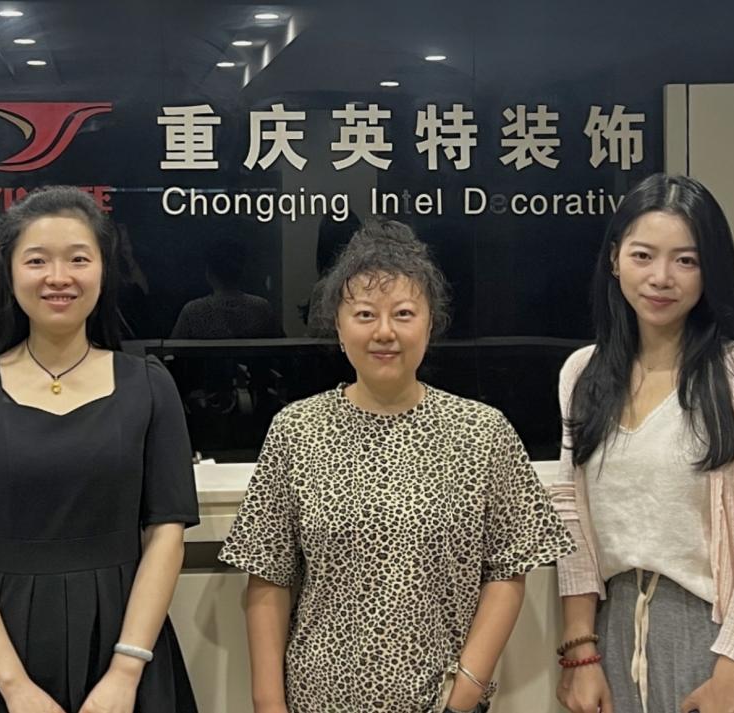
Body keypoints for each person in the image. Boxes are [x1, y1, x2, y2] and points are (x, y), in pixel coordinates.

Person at [217, 219, 575, 713]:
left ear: (430, 323)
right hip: (317, 698)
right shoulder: (295, 430)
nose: (384, 332)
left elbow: (508, 568)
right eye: (365, 314)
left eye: (403, 313)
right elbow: (268, 576)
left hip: (440, 701)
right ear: (338, 325)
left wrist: (466, 691)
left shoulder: (481, 432)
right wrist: (268, 703)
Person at [0, 186, 200, 713]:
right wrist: (14, 686)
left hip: (125, 645)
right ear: (9, 274)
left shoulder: (148, 385)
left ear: (104, 270)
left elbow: (166, 535)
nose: (58, 277)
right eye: (37, 260)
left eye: (78, 259)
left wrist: (125, 672)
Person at [552, 173, 734, 713]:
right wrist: (580, 649)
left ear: (711, 270)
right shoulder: (582, 374)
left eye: (686, 260)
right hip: (613, 628)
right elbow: (569, 515)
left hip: (719, 633)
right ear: (615, 259)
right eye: (643, 256)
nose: (661, 278)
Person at [171, 237, 280, 339]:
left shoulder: (193, 311)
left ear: (209, 273)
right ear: (242, 272)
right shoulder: (261, 308)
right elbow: (281, 347)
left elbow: (173, 349)